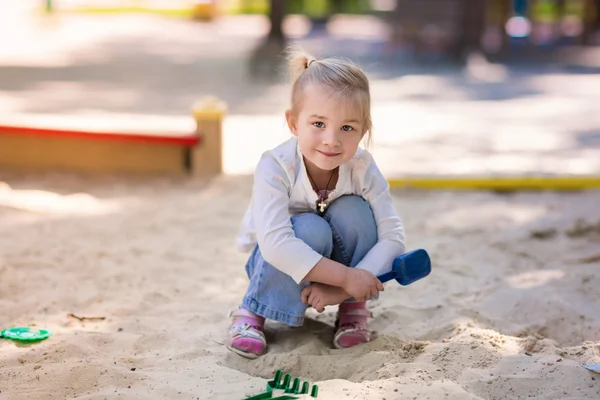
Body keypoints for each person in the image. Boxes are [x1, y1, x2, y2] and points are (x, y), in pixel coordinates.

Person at [228, 46, 405, 359]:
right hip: (274, 263)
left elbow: (392, 237)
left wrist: (344, 289)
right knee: (310, 228)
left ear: (363, 131)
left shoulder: (363, 168)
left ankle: (352, 309)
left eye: (347, 127)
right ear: (294, 124)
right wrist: (347, 277)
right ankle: (254, 309)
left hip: (339, 273)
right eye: (319, 124)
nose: (332, 140)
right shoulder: (276, 166)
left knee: (355, 212)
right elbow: (275, 244)